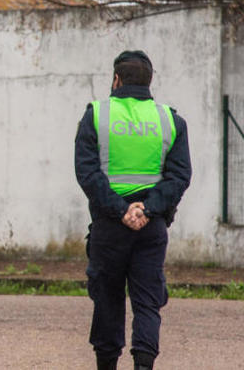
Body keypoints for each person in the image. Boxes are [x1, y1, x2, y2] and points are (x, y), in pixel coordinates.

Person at [74, 50, 192, 370]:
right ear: (150, 81)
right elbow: (179, 176)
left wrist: (120, 210)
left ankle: (107, 365)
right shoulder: (170, 119)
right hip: (150, 225)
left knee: (108, 299)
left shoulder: (96, 115)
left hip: (109, 225)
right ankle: (143, 366)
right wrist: (147, 210)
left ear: (116, 79)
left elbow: (87, 173)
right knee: (147, 302)